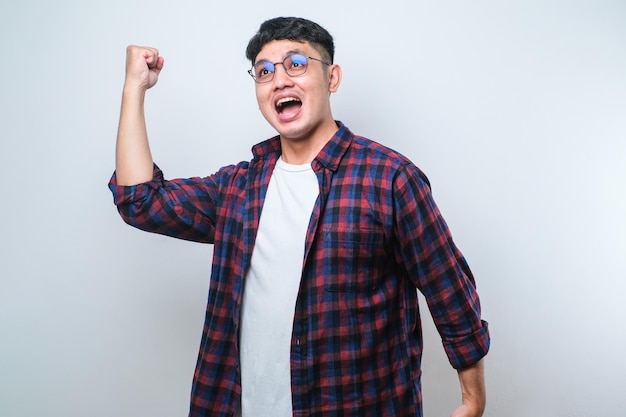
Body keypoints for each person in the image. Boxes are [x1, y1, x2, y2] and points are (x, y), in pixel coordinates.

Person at [109, 16, 490, 417]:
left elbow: (449, 289)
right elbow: (140, 201)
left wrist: (472, 400)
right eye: (264, 71)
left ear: (332, 78)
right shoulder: (238, 188)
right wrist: (134, 88)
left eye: (296, 64)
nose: (279, 80)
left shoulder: (389, 179)